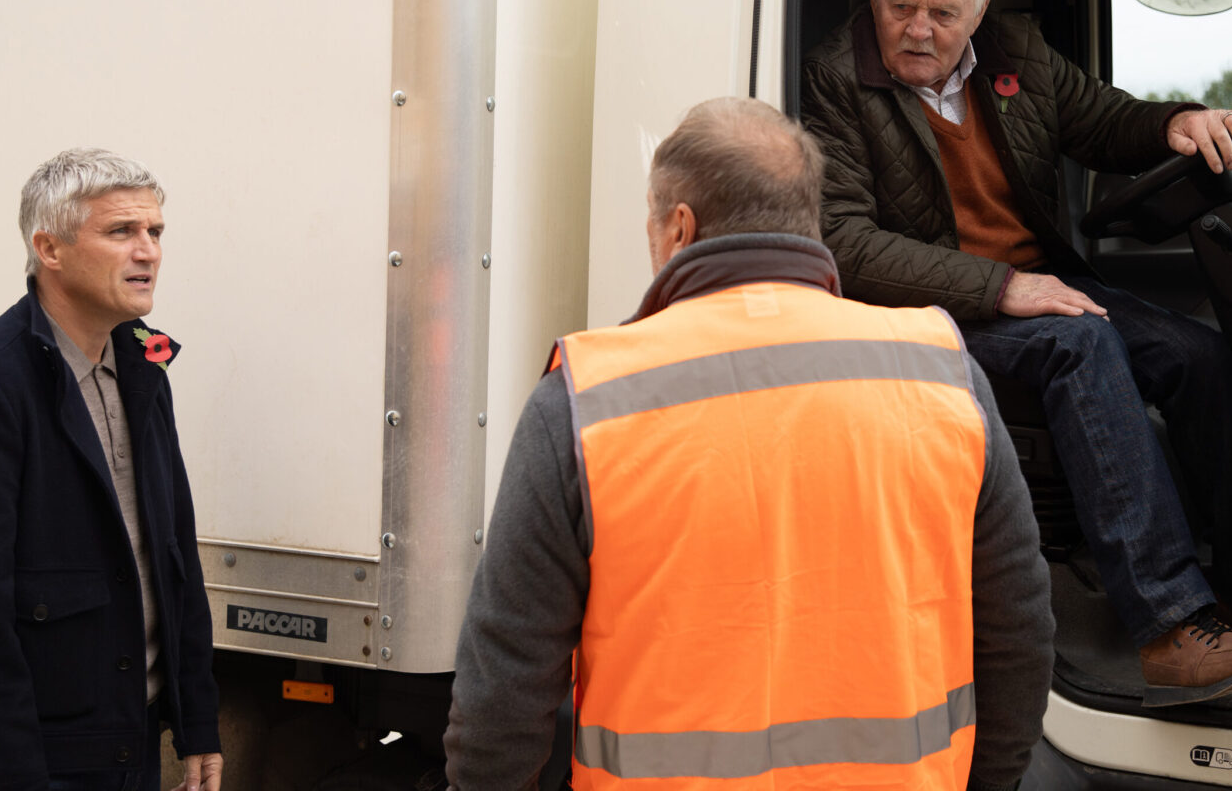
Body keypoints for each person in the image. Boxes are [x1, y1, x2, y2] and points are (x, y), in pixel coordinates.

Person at [443, 98, 1054, 791]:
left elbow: (507, 680)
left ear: (679, 228)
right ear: (806, 221)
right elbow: (1018, 632)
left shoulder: (586, 401)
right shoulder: (940, 371)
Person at [801, 0, 1232, 706]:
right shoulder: (834, 77)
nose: (917, 29)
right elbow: (845, 243)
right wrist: (1000, 288)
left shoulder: (1018, 54)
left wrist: (1178, 122)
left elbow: (1104, 123)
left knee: (1192, 353)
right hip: (929, 314)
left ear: (978, 13)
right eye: (900, 6)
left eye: (942, 13)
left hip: (1032, 287)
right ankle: (1169, 628)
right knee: (1081, 346)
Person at [0, 148, 222, 791]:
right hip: (33, 762)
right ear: (49, 249)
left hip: (129, 744)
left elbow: (173, 557)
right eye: (121, 232)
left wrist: (198, 725)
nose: (149, 251)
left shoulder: (142, 367)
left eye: (155, 232)